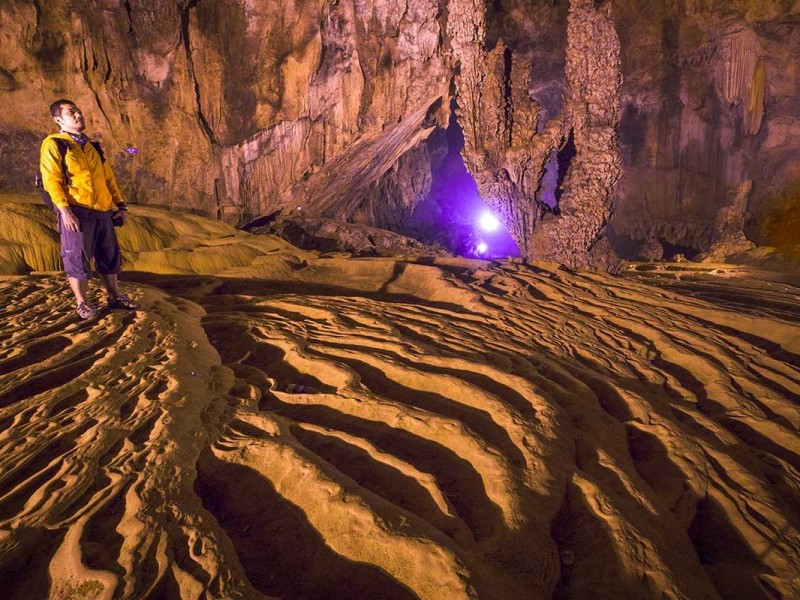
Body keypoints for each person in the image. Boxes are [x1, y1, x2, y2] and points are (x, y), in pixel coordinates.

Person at [40, 99, 139, 319]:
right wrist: (64, 211)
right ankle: (82, 303)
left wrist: (120, 205)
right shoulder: (54, 144)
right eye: (71, 112)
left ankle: (114, 297)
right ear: (58, 119)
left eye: (79, 111)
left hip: (102, 210)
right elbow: (51, 180)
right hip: (77, 209)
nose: (78, 115)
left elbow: (108, 178)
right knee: (76, 255)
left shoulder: (92, 146)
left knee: (108, 255)